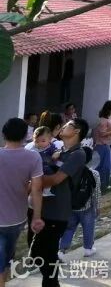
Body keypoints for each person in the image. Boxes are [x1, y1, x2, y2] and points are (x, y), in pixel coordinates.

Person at [31, 118, 89, 286]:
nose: (62, 127)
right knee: (39, 253)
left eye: (67, 125)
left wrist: (34, 181)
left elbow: (57, 179)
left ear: (77, 131)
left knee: (44, 253)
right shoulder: (61, 150)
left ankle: (51, 283)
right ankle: (52, 282)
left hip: (58, 211)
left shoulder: (78, 154)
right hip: (45, 207)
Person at [0, 117, 44, 287]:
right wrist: (37, 217)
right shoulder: (33, 157)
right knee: (6, 257)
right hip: (17, 219)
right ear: (26, 135)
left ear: (4, 134)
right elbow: (37, 190)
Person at [57, 164, 100, 262]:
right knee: (88, 228)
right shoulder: (94, 174)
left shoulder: (69, 172)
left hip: (71, 207)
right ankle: (88, 249)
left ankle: (61, 251)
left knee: (68, 229)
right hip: (87, 207)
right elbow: (96, 192)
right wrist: (97, 206)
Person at [93, 101, 111, 193]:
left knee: (102, 166)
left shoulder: (107, 117)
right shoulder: (102, 120)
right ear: (109, 109)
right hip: (102, 145)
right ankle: (103, 184)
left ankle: (100, 183)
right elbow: (102, 134)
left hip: (105, 144)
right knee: (106, 167)